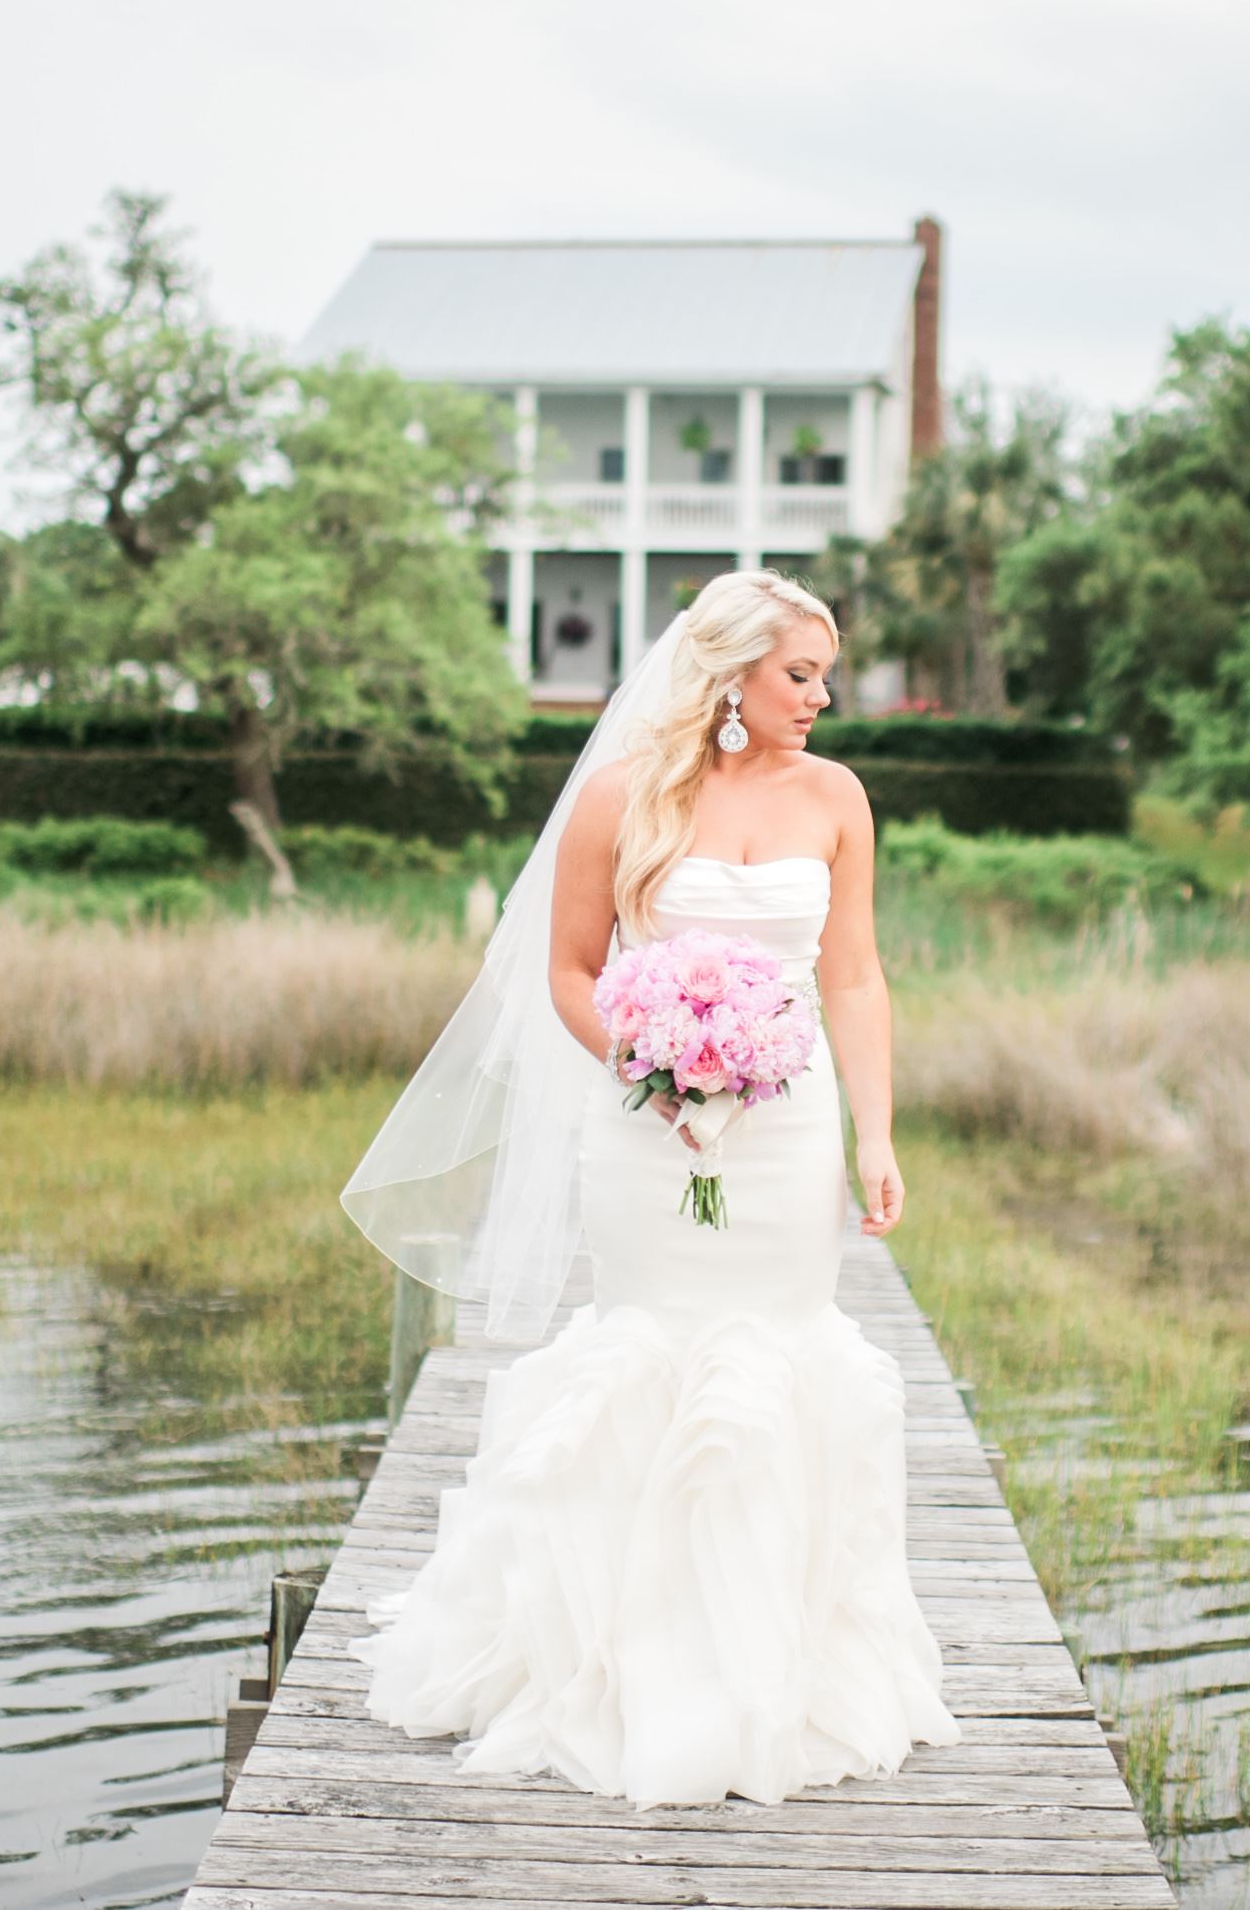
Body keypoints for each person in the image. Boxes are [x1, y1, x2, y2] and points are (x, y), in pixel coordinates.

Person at [337, 568, 960, 1807]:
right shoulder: (619, 799)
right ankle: (617, 1662)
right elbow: (572, 972)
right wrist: (651, 1061)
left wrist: (874, 1136)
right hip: (642, 1126)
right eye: (798, 675)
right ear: (729, 675)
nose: (820, 698)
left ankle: (774, 1666)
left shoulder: (837, 798)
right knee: (648, 1346)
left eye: (823, 676)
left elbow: (853, 978)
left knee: (779, 1353)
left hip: (785, 1133)